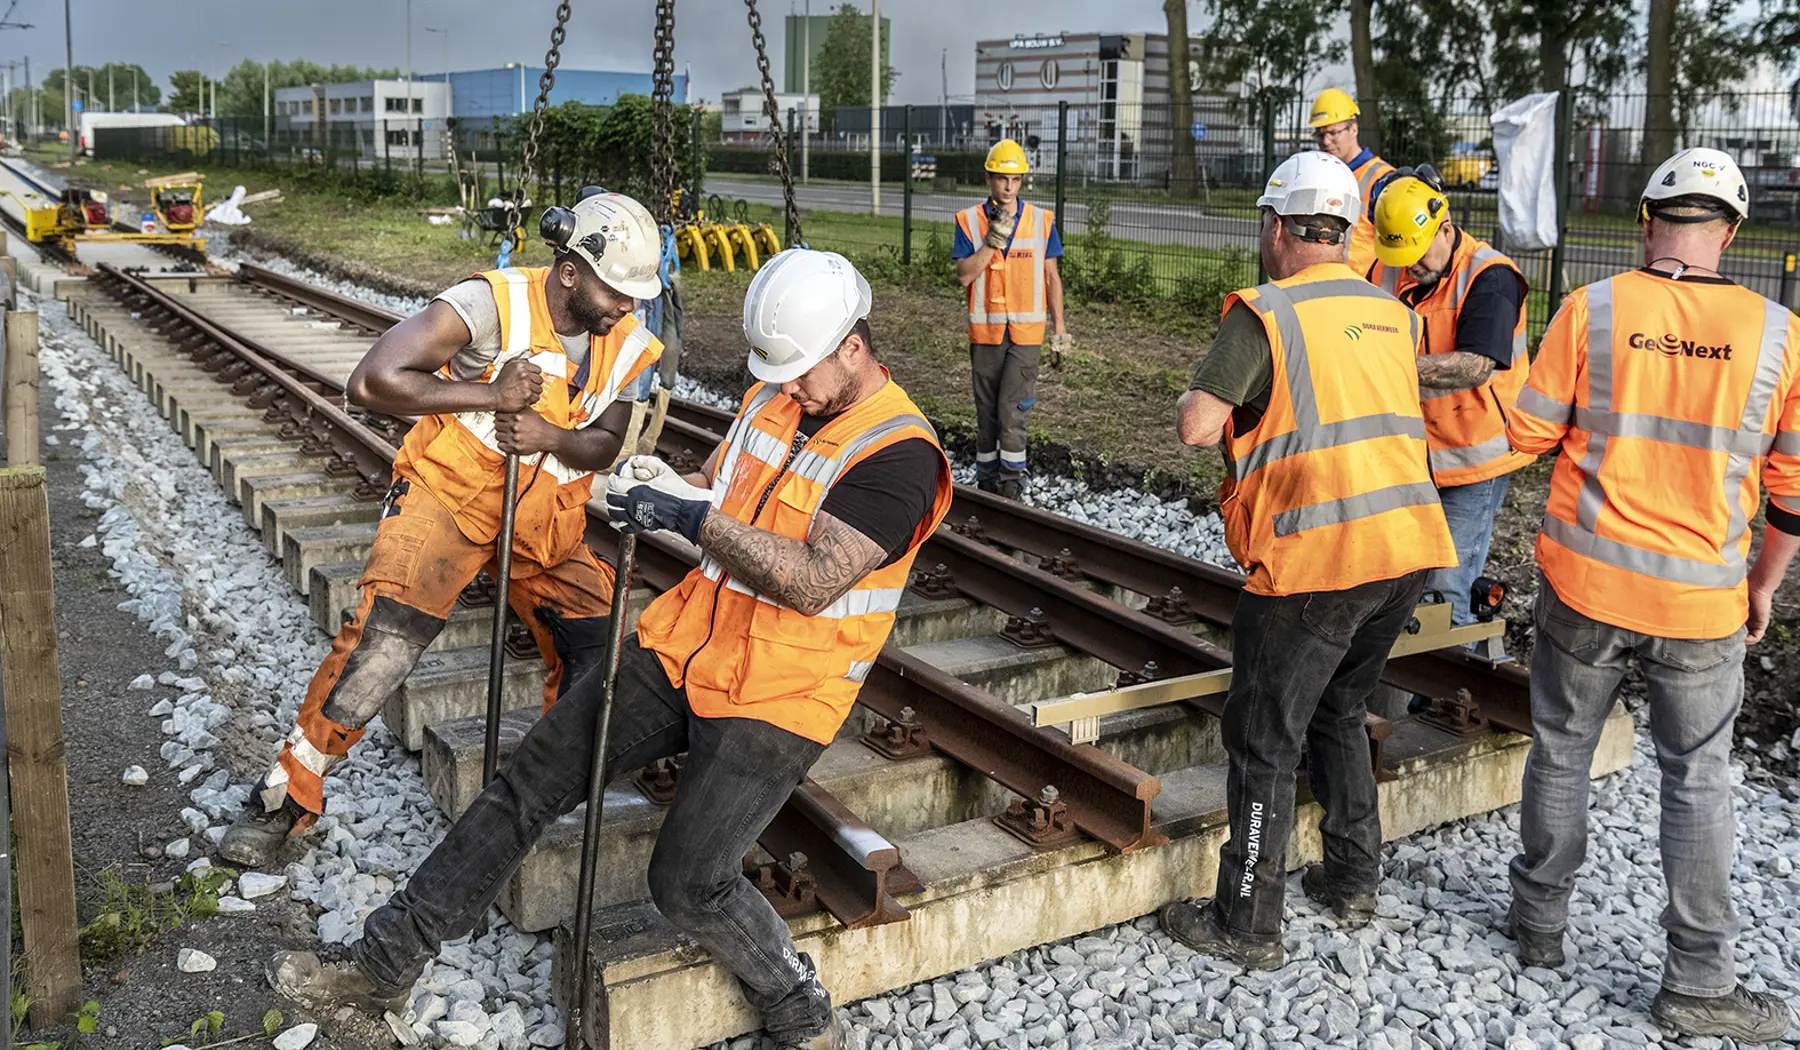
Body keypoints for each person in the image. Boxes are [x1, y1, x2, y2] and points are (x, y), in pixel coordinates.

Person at [264, 249, 954, 1050]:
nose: (788, 387)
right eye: (782, 373)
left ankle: (798, 1007)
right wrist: (657, 485)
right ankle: (383, 962)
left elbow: (810, 580)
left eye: (801, 373)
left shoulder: (900, 456)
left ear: (854, 348)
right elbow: (722, 483)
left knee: (689, 883)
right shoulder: (776, 398)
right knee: (526, 782)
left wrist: (690, 520)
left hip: (781, 695)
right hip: (685, 645)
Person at [217, 189, 667, 867]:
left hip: (543, 514)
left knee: (599, 647)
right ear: (572, 272)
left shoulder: (628, 342)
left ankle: (545, 792)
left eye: (636, 295)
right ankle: (286, 796)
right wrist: (491, 393)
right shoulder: (492, 304)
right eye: (617, 293)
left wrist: (548, 433)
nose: (628, 308)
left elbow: (605, 441)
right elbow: (371, 381)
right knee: (385, 645)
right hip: (450, 493)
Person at [1503, 147, 1800, 1043]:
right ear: (1733, 232)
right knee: (1699, 780)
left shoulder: (1591, 309)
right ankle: (1699, 983)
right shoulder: (1782, 336)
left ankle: (1539, 925)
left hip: (1585, 588)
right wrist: (1762, 587)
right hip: (1702, 607)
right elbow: (1791, 490)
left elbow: (1526, 430)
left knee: (1560, 749)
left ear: (1644, 221)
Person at [1160, 151, 1456, 966]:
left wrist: (1197, 399)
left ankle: (1246, 923)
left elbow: (1196, 425)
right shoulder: (1389, 310)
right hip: (1406, 551)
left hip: (1316, 559)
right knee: (1339, 707)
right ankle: (1354, 877)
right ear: (1347, 232)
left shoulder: (1266, 312)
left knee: (1263, 737)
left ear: (1276, 226)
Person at [1367, 167, 1532, 638]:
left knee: (1446, 588)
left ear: (1444, 229)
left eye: (1418, 256)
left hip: (1470, 459)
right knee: (1396, 575)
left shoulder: (1491, 277)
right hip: (1406, 454)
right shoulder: (1387, 265)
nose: (1409, 268)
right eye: (1401, 257)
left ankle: (1438, 693)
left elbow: (1477, 365)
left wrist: (1384, 368)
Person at [952, 137, 1070, 498]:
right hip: (986, 333)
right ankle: (987, 481)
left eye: (1015, 179)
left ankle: (1011, 485)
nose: (1008, 186)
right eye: (1002, 179)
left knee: (1012, 409)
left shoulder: (1041, 221)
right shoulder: (969, 221)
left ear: (1022, 181)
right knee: (986, 409)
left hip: (1026, 334)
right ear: (989, 179)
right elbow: (964, 276)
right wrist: (990, 243)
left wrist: (1060, 330)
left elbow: (1052, 277)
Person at [1308, 87, 1394, 277]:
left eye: (1333, 132)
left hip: (1362, 292)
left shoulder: (1381, 179)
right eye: (1320, 135)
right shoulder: (1320, 175)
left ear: (1353, 128)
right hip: (1322, 286)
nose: (1326, 141)